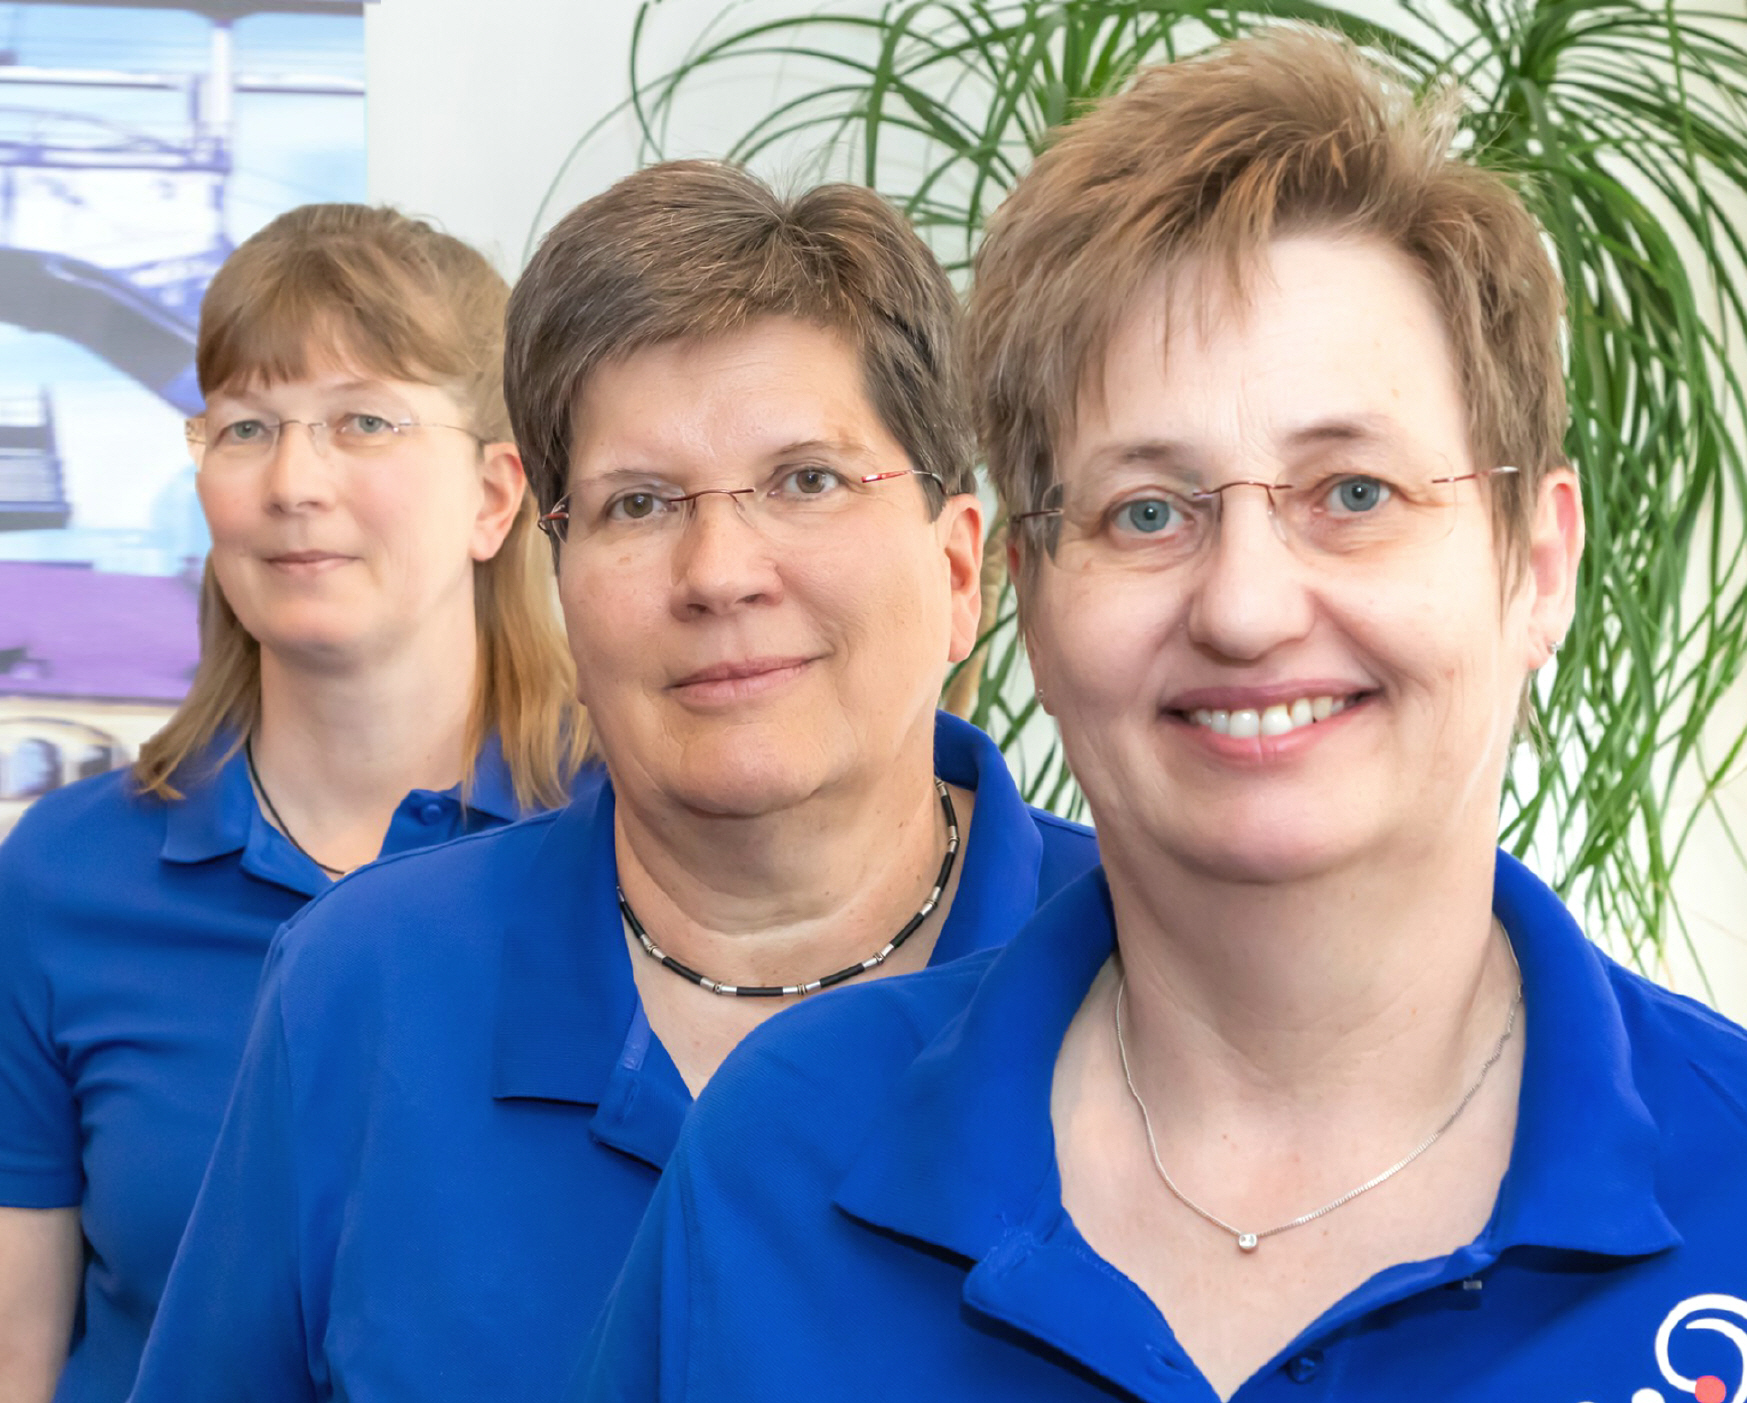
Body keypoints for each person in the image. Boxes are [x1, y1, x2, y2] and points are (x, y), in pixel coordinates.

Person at [573, 28, 1747, 1403]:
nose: (1247, 606)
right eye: (1147, 511)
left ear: (1537, 562)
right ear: (1030, 591)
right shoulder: (781, 1167)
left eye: (1354, 492)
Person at [126, 162, 1096, 1402]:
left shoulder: (1144, 970)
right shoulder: (364, 984)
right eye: (638, 502)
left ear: (960, 569)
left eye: (806, 479)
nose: (720, 571)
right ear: (564, 590)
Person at [0, 204, 585, 1403]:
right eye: (246, 426)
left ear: (494, 496)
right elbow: (18, 1356)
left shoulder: (642, 844)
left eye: (364, 420)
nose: (292, 482)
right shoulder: (60, 876)